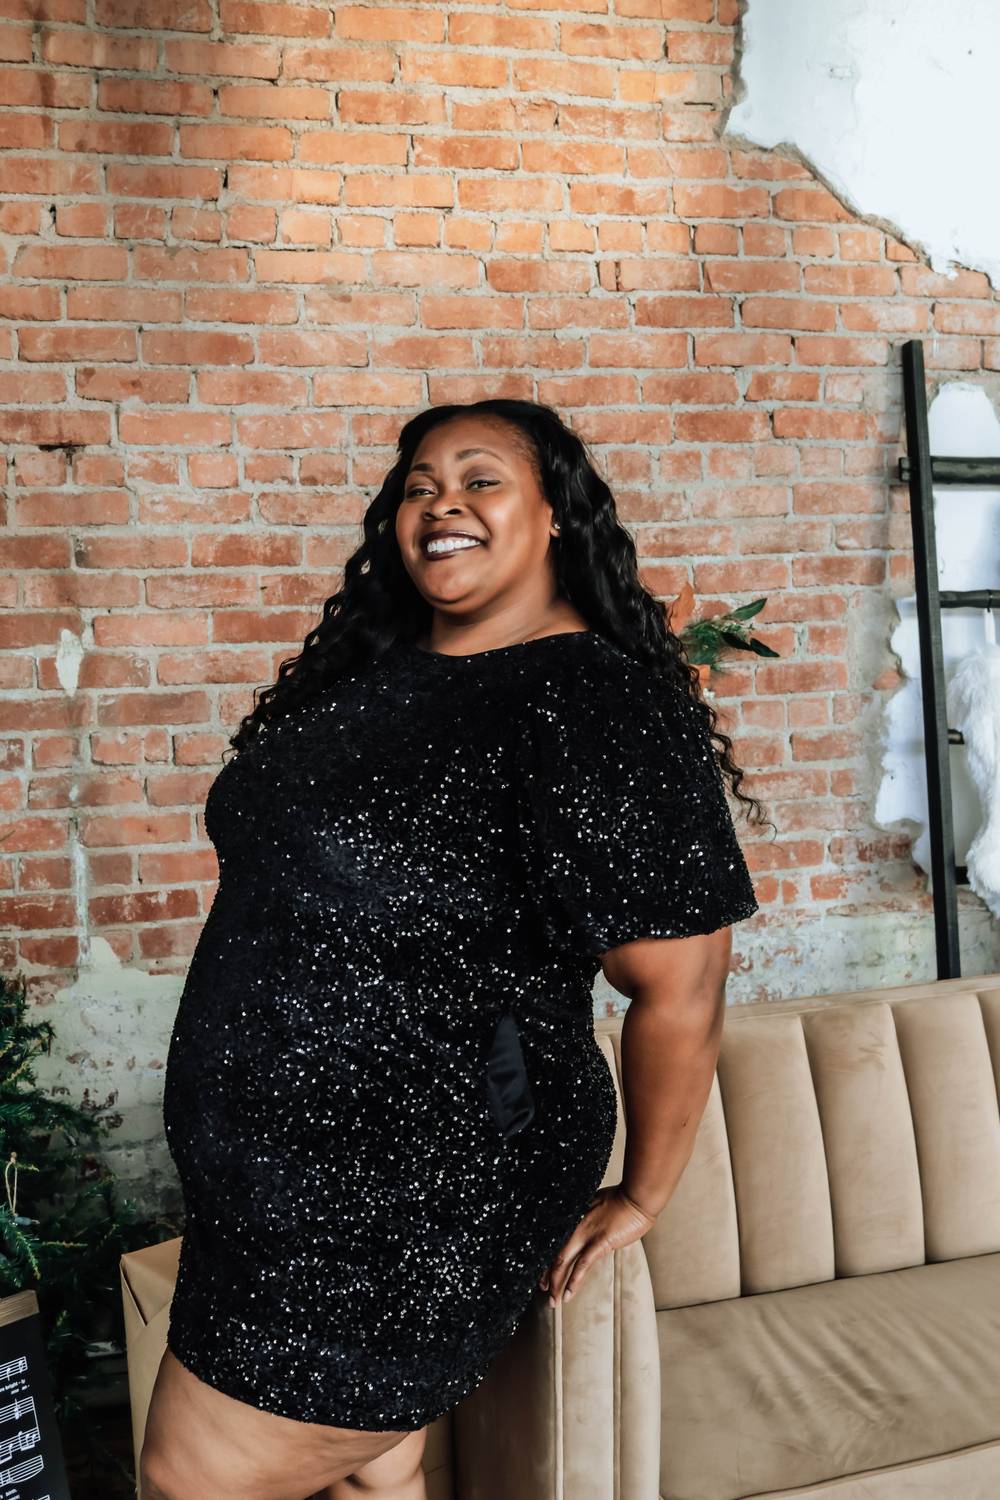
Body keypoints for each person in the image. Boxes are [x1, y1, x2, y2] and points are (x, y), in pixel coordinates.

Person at [141, 398, 764, 1500]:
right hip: (270, 1193)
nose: (443, 506)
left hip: (410, 1193)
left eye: (480, 480)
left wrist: (643, 1193)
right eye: (420, 487)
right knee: (375, 1472)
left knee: (188, 1481)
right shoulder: (380, 676)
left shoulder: (595, 701)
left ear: (555, 513)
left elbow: (684, 979)